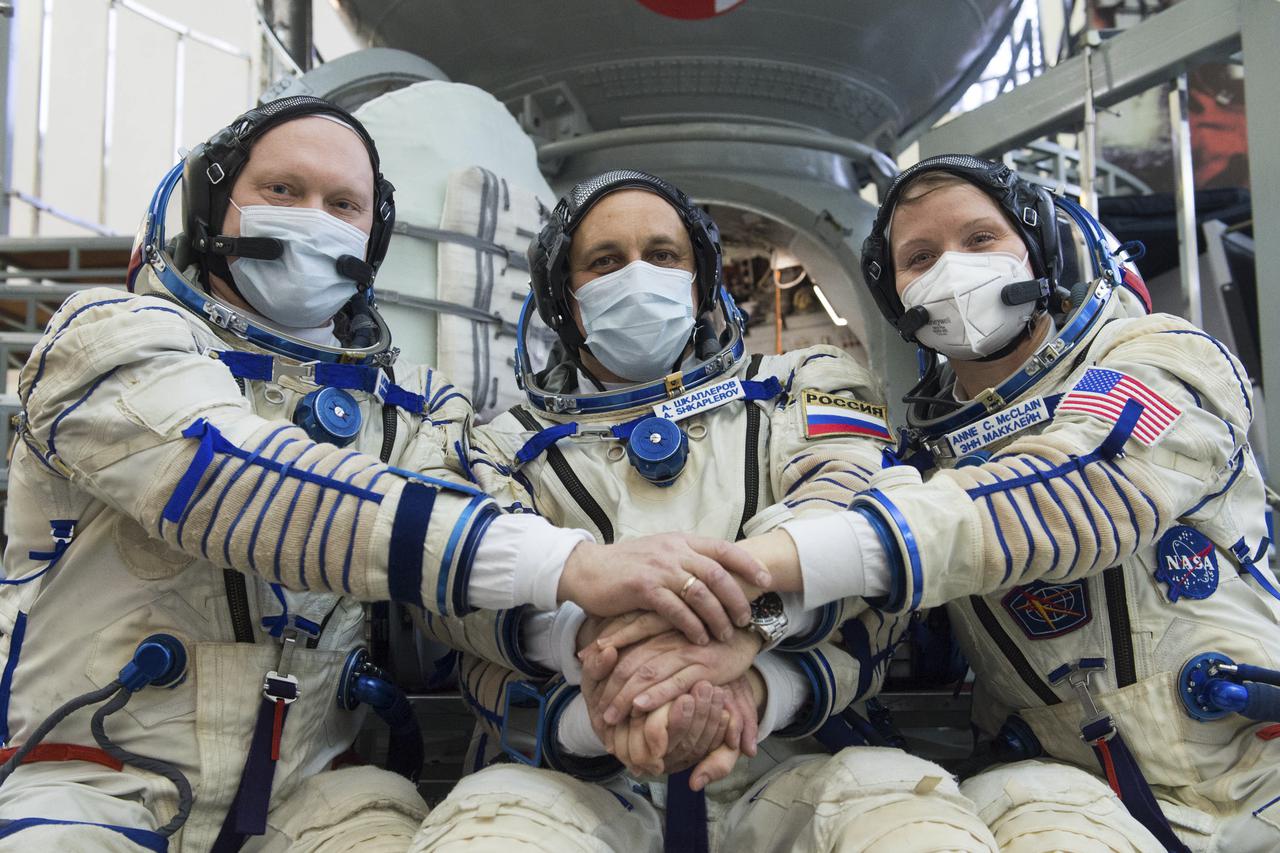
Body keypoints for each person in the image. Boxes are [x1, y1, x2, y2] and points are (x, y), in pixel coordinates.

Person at [0, 101, 763, 852]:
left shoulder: (415, 409)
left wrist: (592, 650)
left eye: (343, 205)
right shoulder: (107, 339)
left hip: (314, 795)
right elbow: (232, 482)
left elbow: (461, 595)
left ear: (373, 237)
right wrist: (577, 565)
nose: (314, 219)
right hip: (94, 785)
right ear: (210, 205)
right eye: (282, 191)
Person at [699, 154, 1280, 851]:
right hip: (1077, 797)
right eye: (921, 256)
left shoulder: (1158, 355)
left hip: (1256, 769)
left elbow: (1086, 484)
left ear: (1033, 250)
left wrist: (769, 560)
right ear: (899, 301)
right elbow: (864, 620)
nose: (954, 268)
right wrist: (749, 640)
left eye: (980, 240)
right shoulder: (917, 463)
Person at [411, 170, 1000, 852]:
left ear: (700, 282)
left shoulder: (805, 386)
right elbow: (456, 609)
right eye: (604, 262)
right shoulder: (494, 450)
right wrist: (597, 694)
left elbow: (855, 536)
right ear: (564, 302)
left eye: (663, 255)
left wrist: (753, 672)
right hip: (573, 778)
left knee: (908, 819)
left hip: (797, 765)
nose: (637, 276)